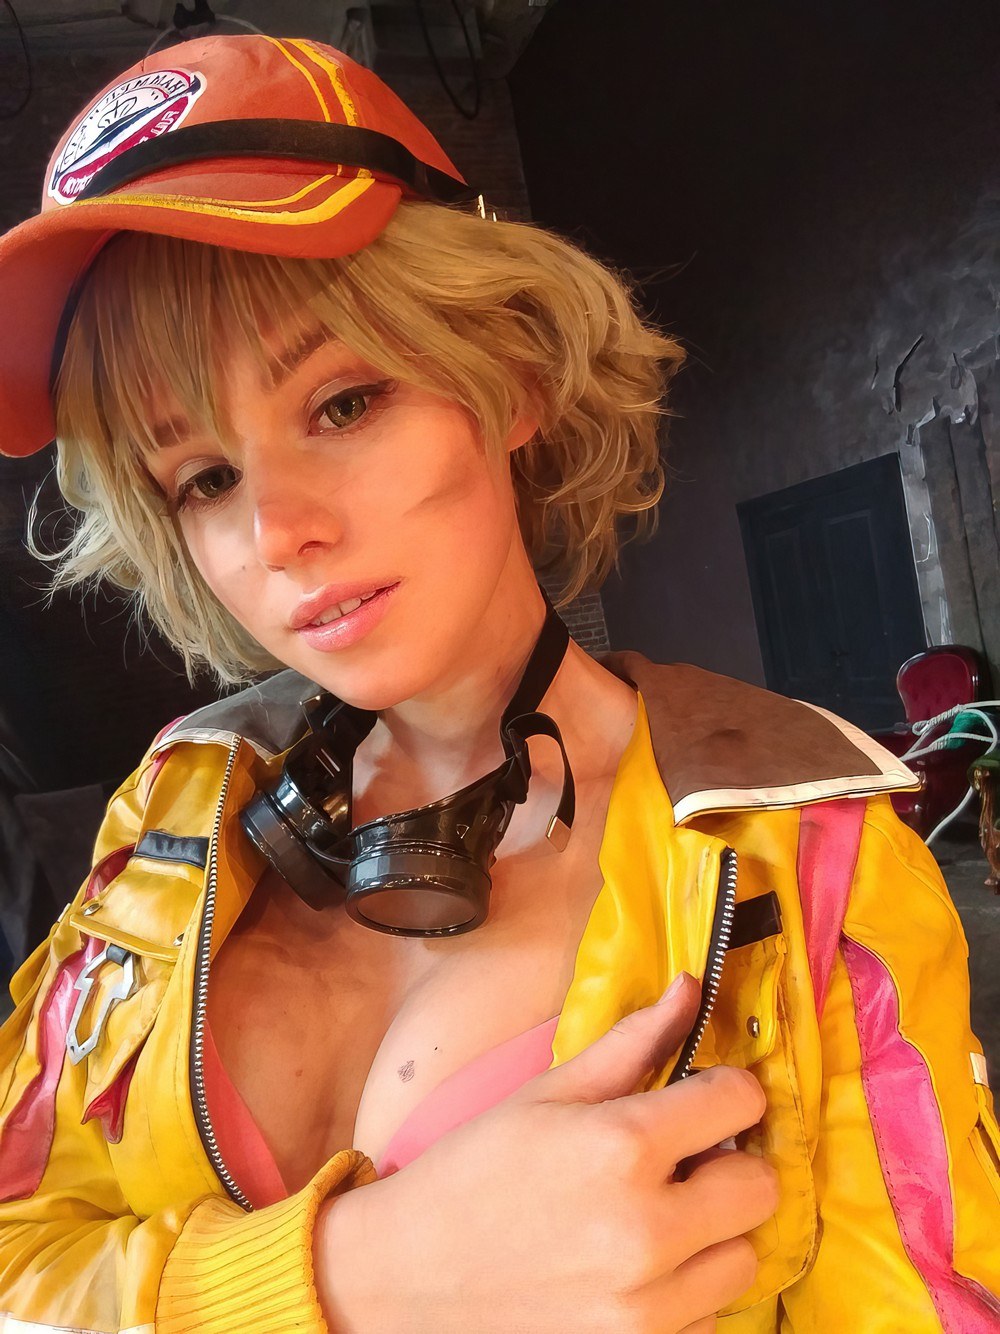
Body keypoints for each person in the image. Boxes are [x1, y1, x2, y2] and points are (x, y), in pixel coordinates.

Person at [0, 33, 996, 1334]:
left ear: (510, 375)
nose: (277, 532)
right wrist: (349, 1276)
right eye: (204, 476)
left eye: (342, 403)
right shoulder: (174, 811)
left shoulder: (803, 856)